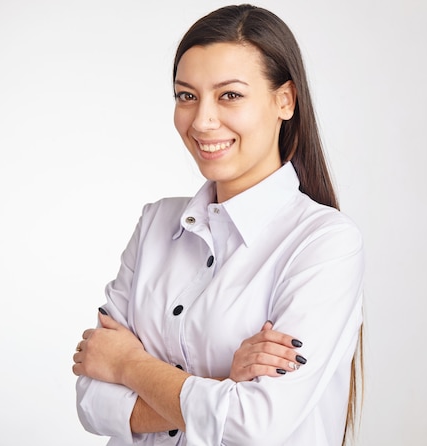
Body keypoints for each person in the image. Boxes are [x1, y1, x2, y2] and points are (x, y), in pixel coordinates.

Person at [72, 4, 364, 445]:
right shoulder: (155, 224)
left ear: (284, 100)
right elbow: (92, 402)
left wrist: (128, 366)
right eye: (186, 95)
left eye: (229, 95)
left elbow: (253, 426)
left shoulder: (325, 244)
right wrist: (223, 380)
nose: (203, 120)